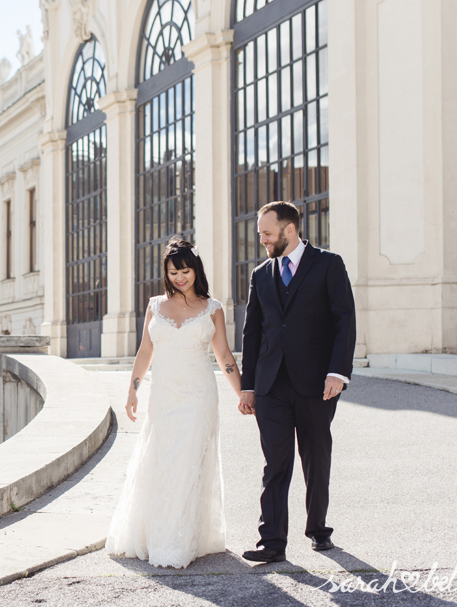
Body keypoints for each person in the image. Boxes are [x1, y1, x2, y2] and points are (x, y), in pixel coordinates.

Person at [106, 238, 242, 568]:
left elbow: (223, 355)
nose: (180, 277)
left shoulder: (213, 308)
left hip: (198, 396)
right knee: (162, 460)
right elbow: (145, 352)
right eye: (173, 272)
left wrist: (242, 392)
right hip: (164, 396)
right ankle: (158, 533)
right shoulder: (154, 306)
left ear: (196, 271)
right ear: (166, 274)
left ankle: (178, 540)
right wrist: (132, 390)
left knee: (188, 462)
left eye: (185, 270)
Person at [239, 201, 356, 563]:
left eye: (267, 233)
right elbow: (252, 334)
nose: (262, 239)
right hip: (272, 385)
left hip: (317, 383)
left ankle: (318, 529)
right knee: (275, 465)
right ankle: (271, 541)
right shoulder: (261, 274)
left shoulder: (328, 265)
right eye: (260, 233)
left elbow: (344, 320)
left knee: (315, 459)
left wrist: (338, 372)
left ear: (289, 230)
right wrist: (248, 385)